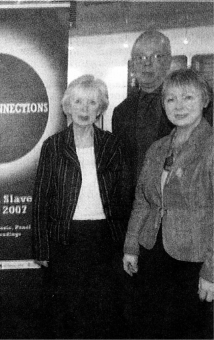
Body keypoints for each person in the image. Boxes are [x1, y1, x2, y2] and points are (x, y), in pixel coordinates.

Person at [32, 75, 128, 338]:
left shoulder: (113, 145)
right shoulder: (53, 146)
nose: (84, 109)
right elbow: (41, 199)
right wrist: (41, 247)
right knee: (67, 311)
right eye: (78, 102)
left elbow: (123, 196)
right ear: (68, 106)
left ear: (101, 108)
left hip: (105, 238)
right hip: (66, 238)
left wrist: (128, 245)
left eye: (92, 102)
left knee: (101, 310)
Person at [123, 69, 214, 339]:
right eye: (171, 99)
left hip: (195, 260)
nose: (179, 106)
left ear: (205, 100)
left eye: (188, 97)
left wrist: (211, 271)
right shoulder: (158, 147)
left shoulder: (210, 148)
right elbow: (143, 201)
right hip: (154, 253)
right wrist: (131, 246)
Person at [112, 29, 212, 212]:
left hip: (186, 209)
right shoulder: (121, 112)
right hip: (134, 210)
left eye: (156, 56)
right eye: (140, 57)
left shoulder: (195, 108)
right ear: (132, 65)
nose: (147, 63)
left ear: (169, 61)